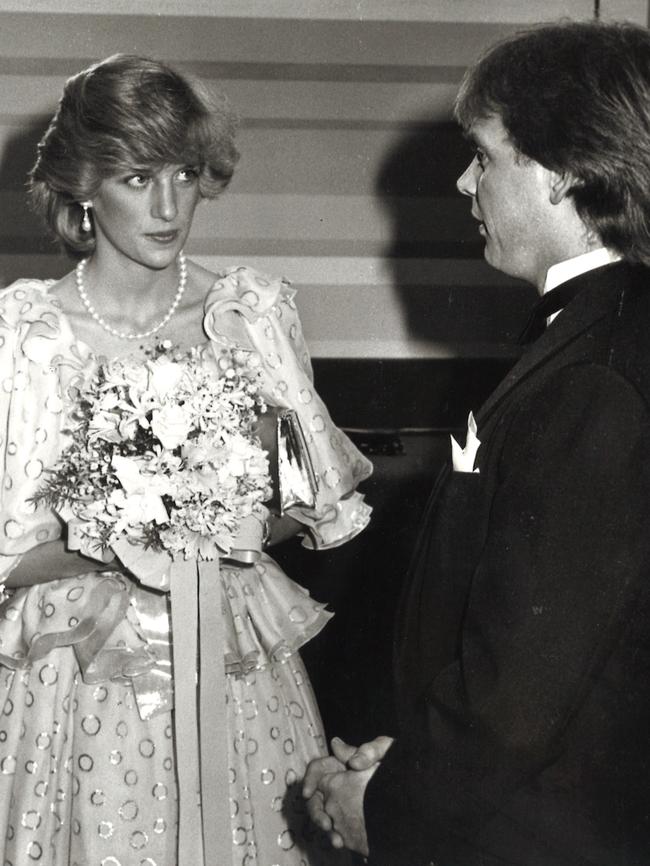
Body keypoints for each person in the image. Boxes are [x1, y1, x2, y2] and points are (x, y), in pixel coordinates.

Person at [0, 54, 372, 866]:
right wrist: (114, 538)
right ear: (83, 188)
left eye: (185, 174)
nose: (171, 207)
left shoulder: (249, 312)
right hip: (76, 682)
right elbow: (7, 554)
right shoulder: (23, 334)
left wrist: (220, 523)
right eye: (138, 178)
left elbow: (311, 507)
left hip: (233, 671)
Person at [303, 19, 650, 866]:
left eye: (485, 156)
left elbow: (520, 693)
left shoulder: (591, 376)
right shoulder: (594, 336)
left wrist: (390, 810)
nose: (465, 182)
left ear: (564, 170)